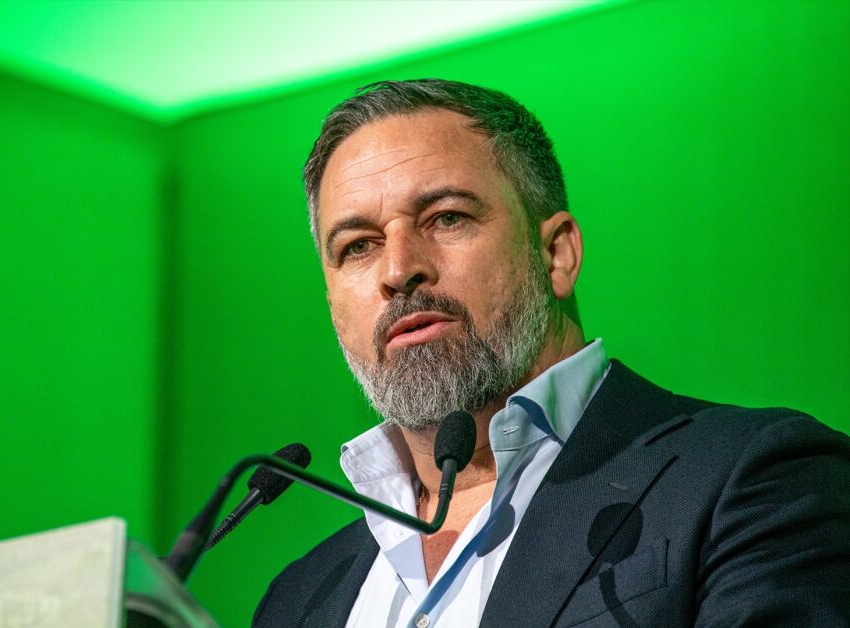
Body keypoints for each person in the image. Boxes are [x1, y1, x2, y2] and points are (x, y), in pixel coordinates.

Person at [252, 79, 850, 627]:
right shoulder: (294, 599)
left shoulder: (758, 477)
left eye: (446, 218)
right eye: (358, 246)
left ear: (557, 254)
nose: (398, 269)